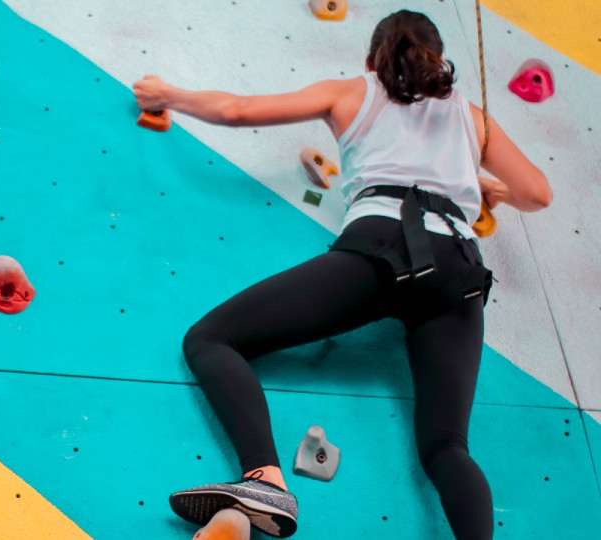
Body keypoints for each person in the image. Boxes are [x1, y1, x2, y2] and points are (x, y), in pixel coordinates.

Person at [133, 9, 551, 540]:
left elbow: (238, 110)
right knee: (446, 446)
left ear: (371, 60)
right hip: (459, 271)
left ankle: (264, 479)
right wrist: (493, 190)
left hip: (382, 250)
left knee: (211, 339)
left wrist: (167, 94)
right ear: (440, 60)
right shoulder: (473, 118)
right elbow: (538, 193)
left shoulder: (354, 91)